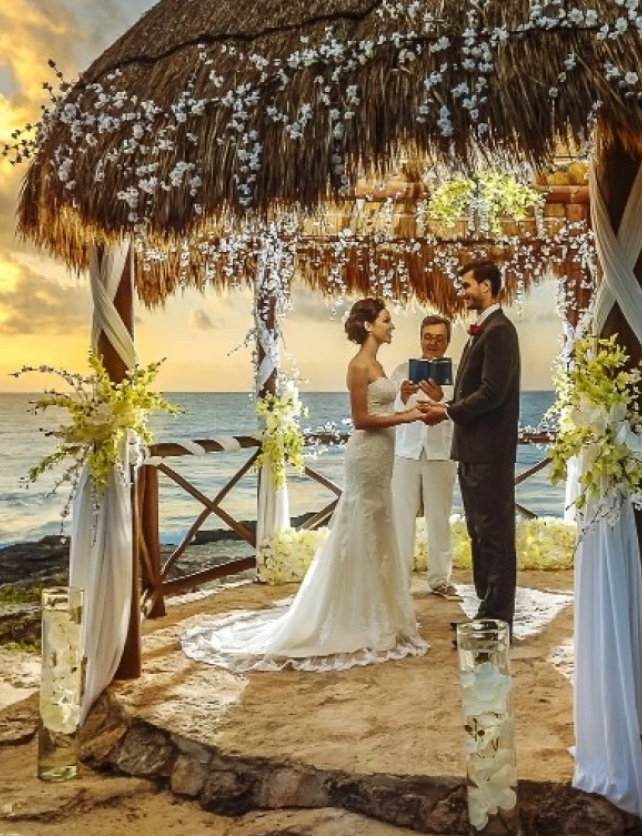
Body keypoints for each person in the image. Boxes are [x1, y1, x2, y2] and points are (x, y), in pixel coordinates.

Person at [180, 298, 429, 672]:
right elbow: (362, 420)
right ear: (367, 326)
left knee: (379, 528)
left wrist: (404, 400)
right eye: (386, 320)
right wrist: (407, 416)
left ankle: (377, 612)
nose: (392, 326)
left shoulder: (378, 365)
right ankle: (352, 616)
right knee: (359, 527)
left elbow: (382, 410)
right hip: (365, 456)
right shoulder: (358, 365)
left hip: (383, 458)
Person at [419, 260, 520, 625]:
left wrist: (446, 411)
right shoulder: (483, 330)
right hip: (474, 451)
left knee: (493, 533)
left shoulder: (500, 331)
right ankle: (486, 610)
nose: (462, 292)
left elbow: (492, 393)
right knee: (479, 532)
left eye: (467, 285)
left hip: (490, 452)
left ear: (487, 288)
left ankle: (497, 617)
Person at [390, 315, 457, 600]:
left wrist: (443, 398)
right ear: (420, 338)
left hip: (441, 453)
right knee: (401, 517)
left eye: (439, 338)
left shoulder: (457, 375)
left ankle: (440, 579)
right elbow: (390, 413)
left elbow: (461, 414)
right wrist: (403, 397)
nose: (432, 343)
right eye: (428, 337)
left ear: (447, 342)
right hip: (406, 452)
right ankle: (399, 579)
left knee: (439, 518)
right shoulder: (402, 371)